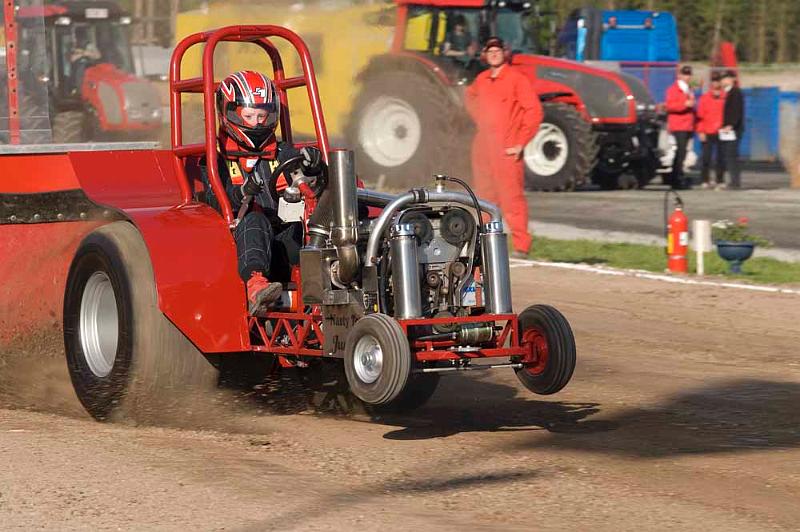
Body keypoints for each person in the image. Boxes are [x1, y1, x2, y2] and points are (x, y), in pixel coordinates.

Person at [204, 70, 324, 314]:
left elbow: (310, 184)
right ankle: (256, 288)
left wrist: (315, 167)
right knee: (255, 220)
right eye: (249, 116)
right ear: (228, 113)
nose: (257, 123)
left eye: (262, 116)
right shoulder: (216, 159)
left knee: (327, 215)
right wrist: (242, 193)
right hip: (239, 242)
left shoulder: (281, 152)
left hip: (283, 241)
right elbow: (212, 201)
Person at [465, 37, 542, 259]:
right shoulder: (481, 79)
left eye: (498, 50)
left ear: (505, 53)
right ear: (485, 55)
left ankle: (521, 246)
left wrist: (520, 142)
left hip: (506, 149)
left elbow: (533, 111)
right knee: (484, 199)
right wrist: (479, 117)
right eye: (491, 51)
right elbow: (469, 98)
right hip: (483, 148)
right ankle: (484, 243)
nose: (495, 54)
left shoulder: (517, 79)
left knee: (512, 199)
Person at [664, 64, 696, 189]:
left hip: (687, 124)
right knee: (680, 151)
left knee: (683, 152)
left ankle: (678, 175)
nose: (687, 77)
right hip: (679, 125)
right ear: (679, 75)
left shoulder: (689, 89)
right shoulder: (673, 89)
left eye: (689, 74)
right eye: (685, 74)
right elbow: (670, 106)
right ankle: (676, 177)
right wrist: (685, 104)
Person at [695, 71, 726, 189]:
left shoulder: (725, 97)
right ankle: (705, 179)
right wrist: (701, 131)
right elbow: (700, 117)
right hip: (707, 131)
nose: (715, 83)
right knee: (706, 157)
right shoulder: (705, 98)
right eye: (713, 81)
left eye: (717, 81)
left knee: (721, 158)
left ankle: (720, 179)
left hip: (721, 131)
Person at [720, 69, 745, 189]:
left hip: (733, 129)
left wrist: (731, 125)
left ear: (732, 79)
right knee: (729, 155)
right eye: (723, 79)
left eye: (726, 78)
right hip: (729, 129)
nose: (723, 81)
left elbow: (736, 111)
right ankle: (733, 181)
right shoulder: (728, 92)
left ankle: (735, 182)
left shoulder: (735, 92)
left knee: (732, 155)